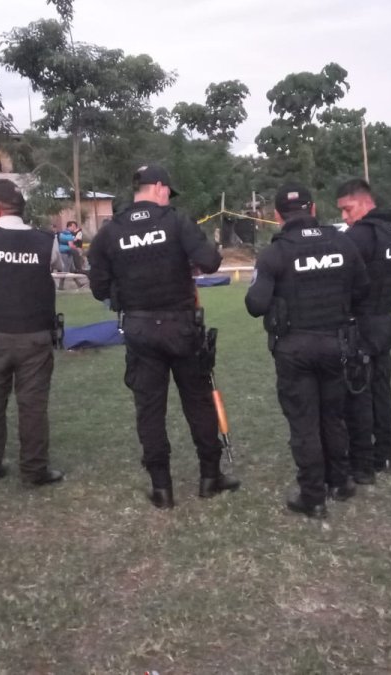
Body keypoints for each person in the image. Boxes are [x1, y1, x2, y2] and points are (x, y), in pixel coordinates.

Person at [88, 163, 239, 509]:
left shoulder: (111, 232)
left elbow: (98, 288)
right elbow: (210, 261)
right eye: (168, 190)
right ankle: (209, 477)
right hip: (182, 326)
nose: (169, 196)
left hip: (140, 329)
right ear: (158, 187)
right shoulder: (175, 221)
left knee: (150, 409)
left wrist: (127, 287)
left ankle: (162, 488)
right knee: (197, 401)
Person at [246, 182, 369, 519]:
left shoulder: (275, 252)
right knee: (333, 416)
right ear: (313, 209)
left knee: (304, 424)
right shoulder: (342, 242)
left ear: (277, 216)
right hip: (336, 344)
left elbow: (255, 305)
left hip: (295, 349)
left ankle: (313, 496)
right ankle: (340, 481)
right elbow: (363, 289)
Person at [0, 179, 65, 488]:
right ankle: (34, 470)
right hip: (34, 336)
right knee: (33, 406)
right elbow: (55, 266)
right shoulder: (44, 240)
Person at [335, 179, 391, 481]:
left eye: (347, 209)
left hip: (361, 324)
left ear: (365, 202)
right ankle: (386, 455)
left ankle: (363, 463)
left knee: (359, 395)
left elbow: (343, 281)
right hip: (385, 321)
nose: (344, 217)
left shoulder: (360, 236)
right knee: (382, 392)